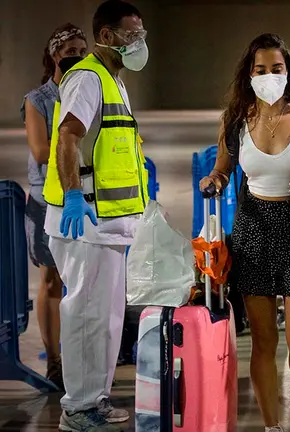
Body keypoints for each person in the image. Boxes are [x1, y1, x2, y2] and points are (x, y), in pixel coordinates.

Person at [199, 33, 290, 432]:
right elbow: (223, 170)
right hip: (253, 232)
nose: (268, 76)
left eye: (276, 69)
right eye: (260, 69)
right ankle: (271, 425)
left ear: (288, 73)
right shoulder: (235, 120)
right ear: (249, 74)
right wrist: (213, 180)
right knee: (263, 341)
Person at [42, 0, 148, 430]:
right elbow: (69, 137)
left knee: (104, 318)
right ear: (107, 36)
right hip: (85, 222)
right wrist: (72, 197)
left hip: (107, 225)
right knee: (86, 317)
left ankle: (93, 401)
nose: (140, 42)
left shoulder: (113, 80)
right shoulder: (87, 78)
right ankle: (78, 408)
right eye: (132, 34)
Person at [21, 23, 87, 391]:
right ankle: (55, 360)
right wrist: (72, 140)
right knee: (51, 280)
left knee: (80, 280)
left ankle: (79, 354)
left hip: (82, 198)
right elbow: (41, 151)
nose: (75, 56)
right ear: (54, 56)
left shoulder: (91, 89)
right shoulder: (39, 99)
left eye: (81, 49)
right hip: (47, 201)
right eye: (68, 51)